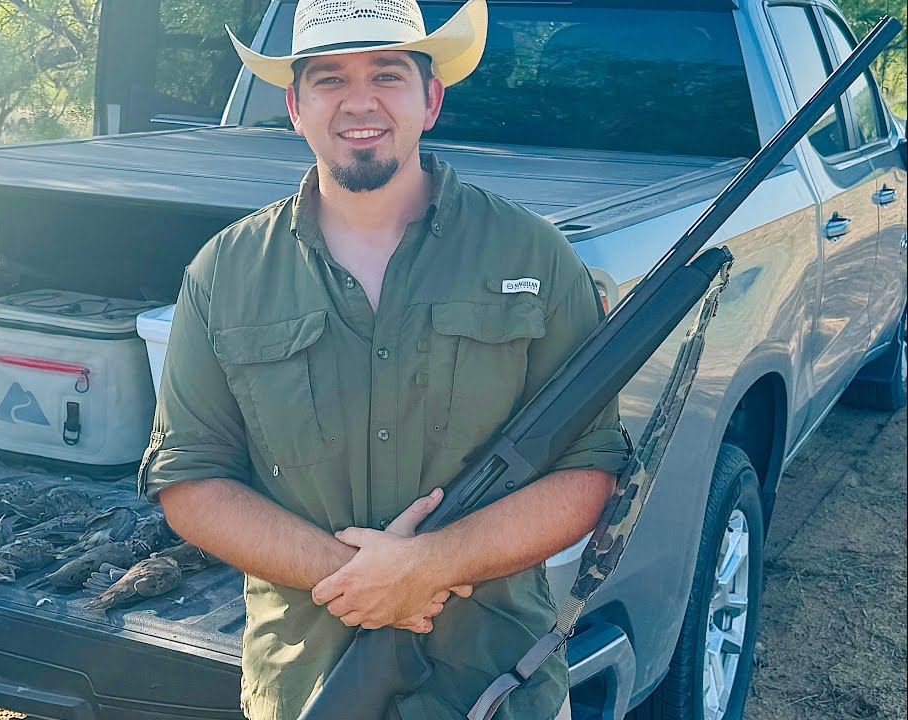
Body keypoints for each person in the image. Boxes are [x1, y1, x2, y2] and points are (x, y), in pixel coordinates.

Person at [137, 1, 631, 718]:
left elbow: (587, 472)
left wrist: (432, 565)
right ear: (294, 105)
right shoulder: (225, 272)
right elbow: (190, 481)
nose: (358, 101)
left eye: (388, 75)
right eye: (329, 78)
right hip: (307, 691)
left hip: (495, 688)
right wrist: (363, 579)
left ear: (431, 99)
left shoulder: (535, 256)